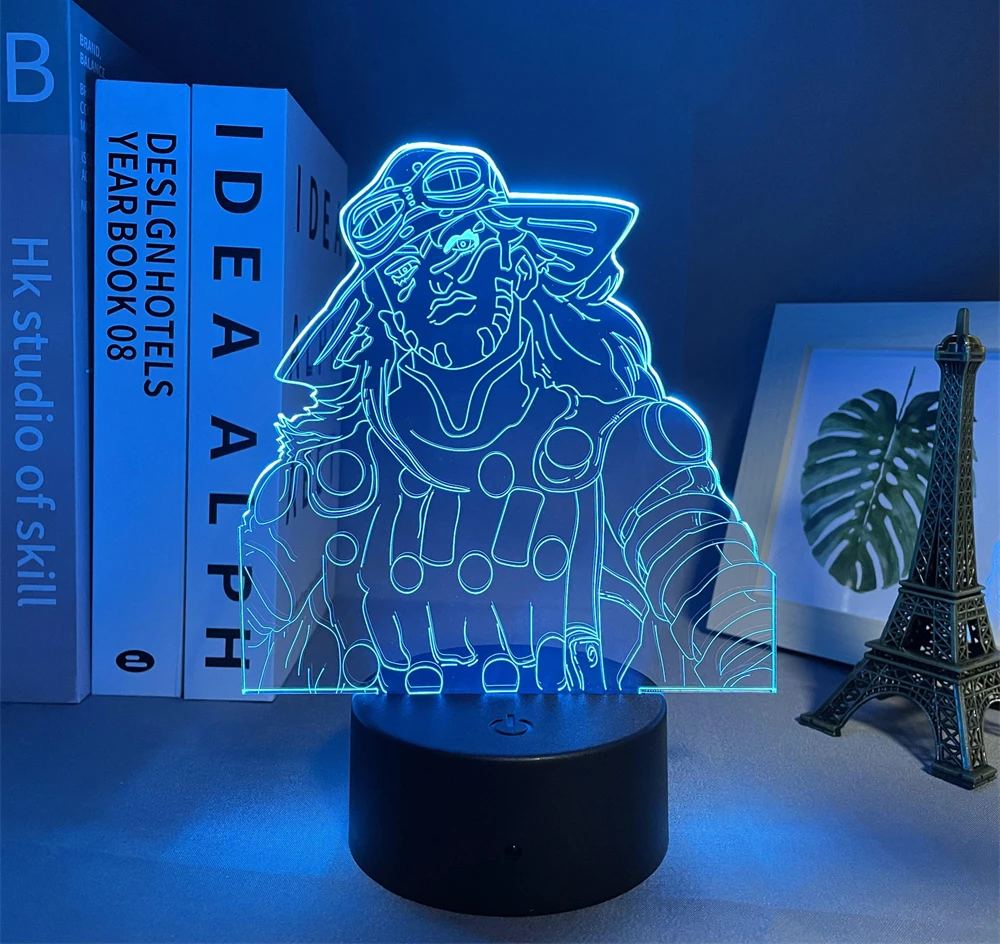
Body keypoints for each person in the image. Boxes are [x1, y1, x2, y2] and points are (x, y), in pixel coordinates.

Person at [240, 143, 774, 693]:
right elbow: (255, 643)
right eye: (402, 268)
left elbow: (733, 627)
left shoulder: (629, 439)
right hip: (384, 732)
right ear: (386, 311)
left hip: (575, 730)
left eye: (461, 244)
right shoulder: (325, 473)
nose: (438, 278)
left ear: (519, 262)